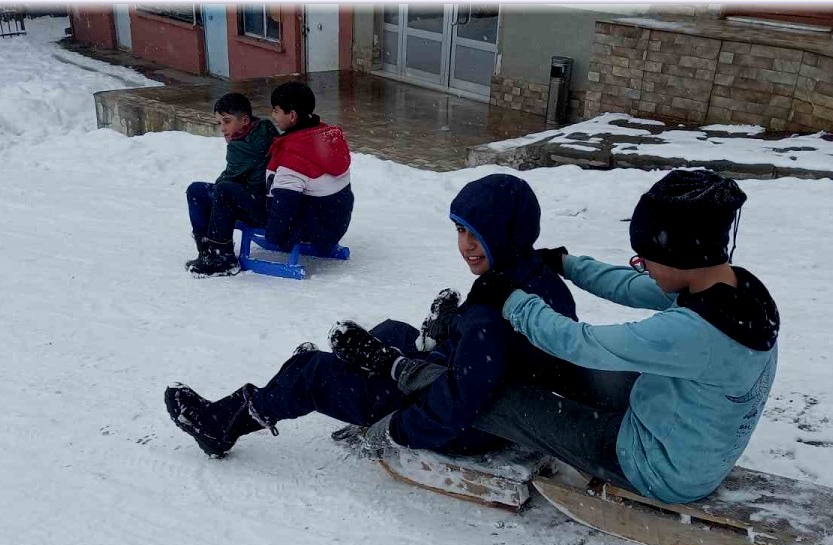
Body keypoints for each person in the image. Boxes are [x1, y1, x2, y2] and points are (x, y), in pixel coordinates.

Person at [334, 169, 779, 506]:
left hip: (658, 466)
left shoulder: (693, 333)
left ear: (680, 254)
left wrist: (511, 299)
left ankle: (403, 377)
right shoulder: (732, 289)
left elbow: (582, 342)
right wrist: (566, 263)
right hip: (686, 431)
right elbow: (628, 286)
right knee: (565, 374)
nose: (640, 267)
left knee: (496, 397)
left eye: (646, 258)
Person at [164, 174, 574, 459]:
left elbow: (456, 405)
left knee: (312, 371)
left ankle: (221, 425)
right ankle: (329, 376)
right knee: (394, 331)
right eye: (459, 230)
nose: (465, 245)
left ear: (506, 232)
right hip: (490, 400)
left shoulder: (492, 312)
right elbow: (489, 365)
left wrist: (393, 430)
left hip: (471, 430)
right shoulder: (533, 279)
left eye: (476, 233)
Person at [186, 92, 278, 276]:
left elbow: (228, 180)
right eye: (219, 123)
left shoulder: (243, 147)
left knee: (213, 191)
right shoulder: (262, 130)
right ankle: (208, 254)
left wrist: (222, 187)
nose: (222, 128)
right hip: (262, 201)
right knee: (199, 189)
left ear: (245, 120)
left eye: (227, 121)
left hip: (262, 206)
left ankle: (221, 256)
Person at [260, 81, 353, 253]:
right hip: (336, 223)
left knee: (226, 194)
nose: (273, 115)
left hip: (314, 232)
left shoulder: (294, 155)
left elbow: (285, 204)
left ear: (292, 116)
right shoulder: (326, 136)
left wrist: (273, 236)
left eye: (276, 110)